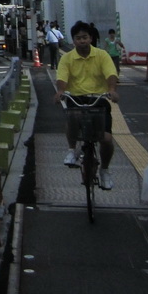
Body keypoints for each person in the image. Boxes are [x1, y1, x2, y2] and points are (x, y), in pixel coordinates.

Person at [54, 20, 119, 189]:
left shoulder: (102, 55)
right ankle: (71, 151)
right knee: (71, 117)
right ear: (73, 40)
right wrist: (60, 91)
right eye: (78, 38)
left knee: (106, 139)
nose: (82, 41)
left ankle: (105, 170)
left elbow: (111, 74)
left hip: (98, 99)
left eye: (85, 37)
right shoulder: (67, 58)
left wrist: (112, 90)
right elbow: (62, 78)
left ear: (91, 38)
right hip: (76, 98)